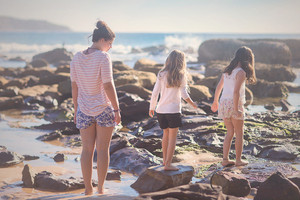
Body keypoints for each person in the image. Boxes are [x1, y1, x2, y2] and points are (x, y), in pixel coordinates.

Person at [70, 20, 121, 195]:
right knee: (103, 149)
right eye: (110, 43)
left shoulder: (76, 57)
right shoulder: (103, 57)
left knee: (86, 150)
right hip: (103, 109)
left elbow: (74, 86)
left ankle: (87, 189)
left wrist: (76, 109)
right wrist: (116, 108)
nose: (110, 47)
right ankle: (100, 188)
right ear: (102, 40)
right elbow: (108, 85)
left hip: (83, 109)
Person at [149, 50, 198, 171]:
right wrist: (193, 104)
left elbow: (155, 93)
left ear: (169, 60)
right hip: (173, 111)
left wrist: (151, 107)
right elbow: (184, 94)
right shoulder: (181, 75)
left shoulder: (161, 73)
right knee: (172, 139)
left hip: (161, 110)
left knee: (165, 135)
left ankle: (165, 161)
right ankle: (168, 164)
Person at [211, 46, 256, 167]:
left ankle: (225, 159)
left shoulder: (227, 71)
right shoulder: (241, 72)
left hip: (224, 102)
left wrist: (215, 101)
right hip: (234, 103)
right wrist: (236, 109)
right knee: (239, 133)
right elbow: (236, 92)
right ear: (248, 59)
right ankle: (238, 160)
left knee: (230, 132)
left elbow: (219, 87)